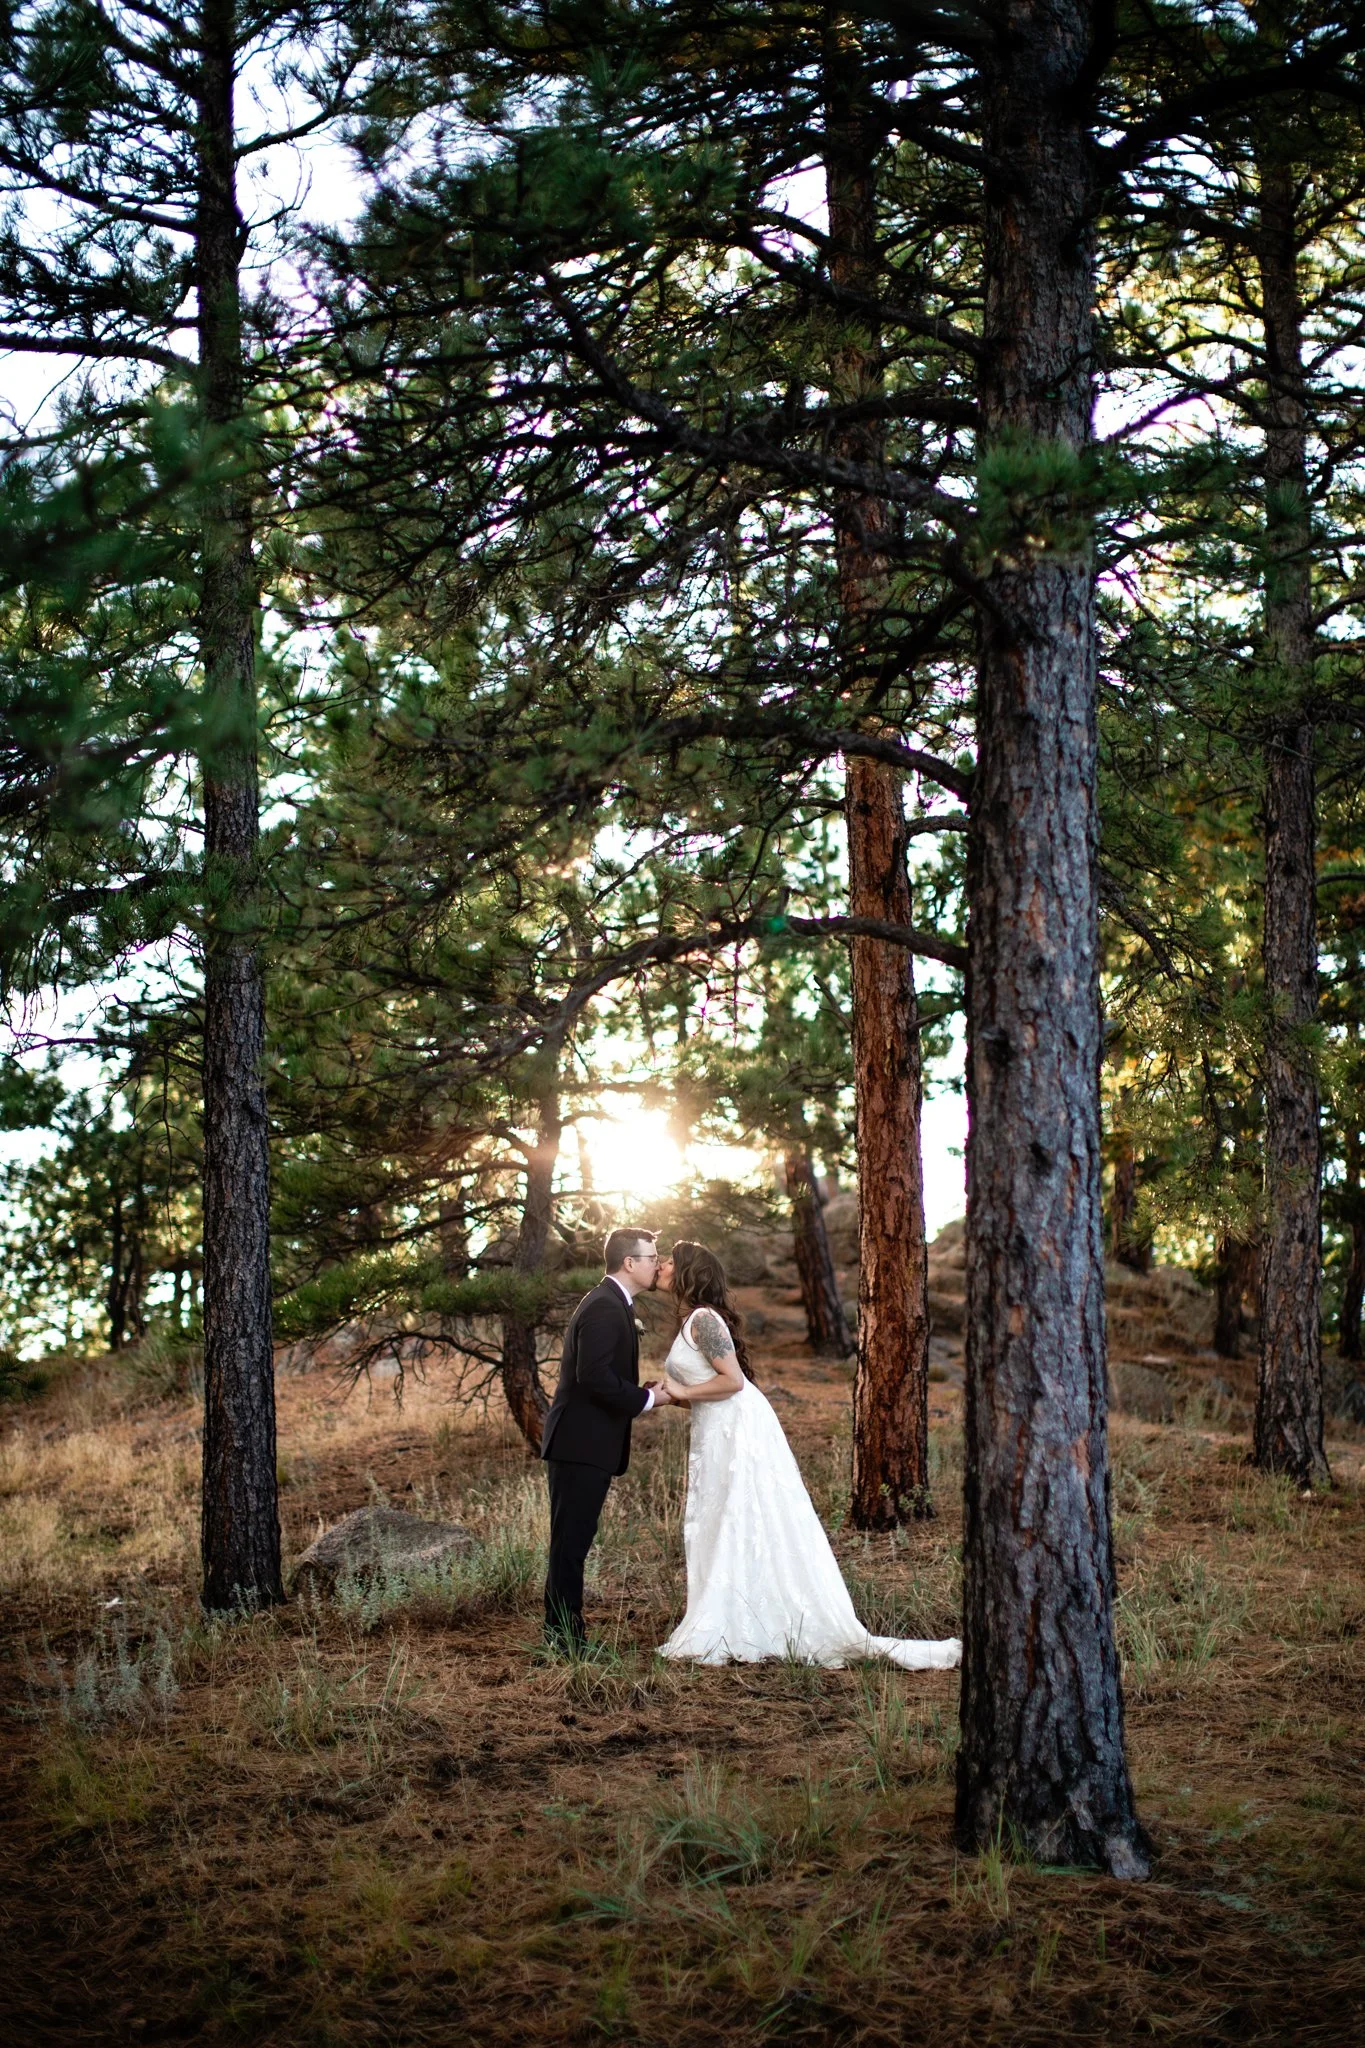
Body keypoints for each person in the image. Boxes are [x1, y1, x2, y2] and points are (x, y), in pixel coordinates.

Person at [656, 1240, 961, 1670]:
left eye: (669, 1261)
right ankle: (734, 1605)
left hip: (740, 1429)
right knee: (720, 1517)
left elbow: (733, 1382)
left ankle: (743, 1617)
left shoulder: (705, 1319)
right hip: (716, 1429)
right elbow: (707, 1389)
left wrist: (682, 1390)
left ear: (687, 1271)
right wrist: (670, 1397)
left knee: (738, 1515)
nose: (662, 1266)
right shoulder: (692, 1320)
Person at [541, 1225, 673, 1649]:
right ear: (630, 1263)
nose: (657, 1265)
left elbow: (599, 1373)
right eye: (652, 1258)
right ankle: (565, 1640)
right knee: (570, 1546)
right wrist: (646, 1400)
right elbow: (593, 1377)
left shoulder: (614, 1302)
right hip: (580, 1444)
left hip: (586, 1444)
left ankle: (564, 1634)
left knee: (573, 1543)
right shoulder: (603, 1306)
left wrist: (642, 1391)